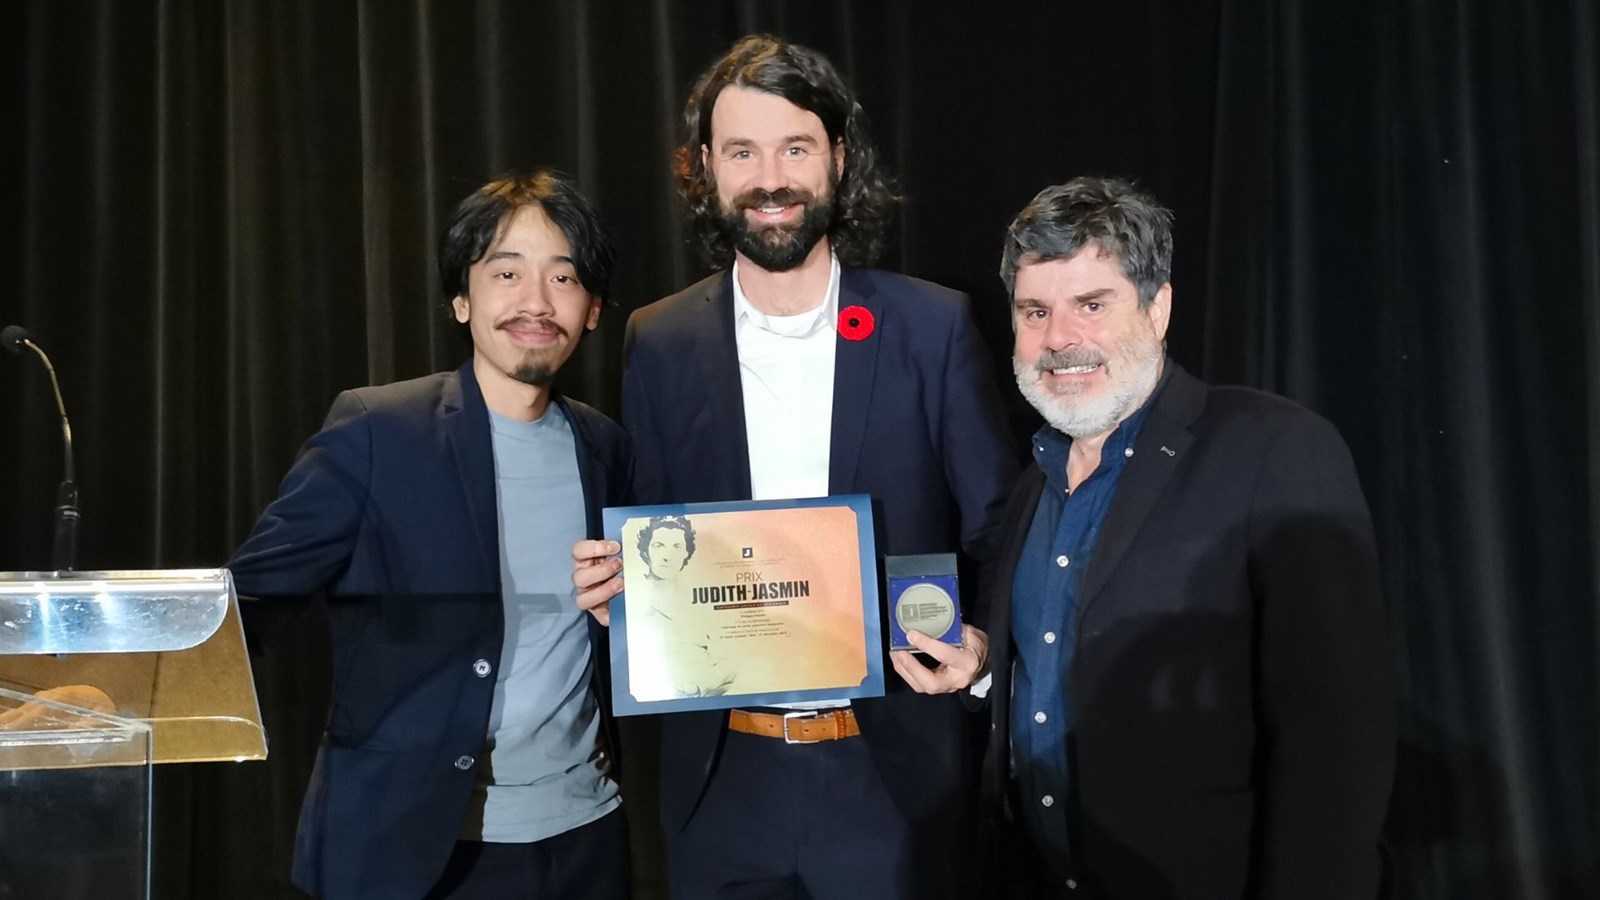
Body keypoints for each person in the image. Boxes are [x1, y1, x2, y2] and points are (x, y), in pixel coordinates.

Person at [573, 33, 1015, 900]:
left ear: (838, 161)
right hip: (719, 781)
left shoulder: (932, 329)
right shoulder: (659, 341)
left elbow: (999, 526)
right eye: (742, 151)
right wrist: (616, 593)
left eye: (795, 148)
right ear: (705, 167)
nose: (769, 178)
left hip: (891, 781)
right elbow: (657, 532)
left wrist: (982, 645)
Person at [904, 176, 1395, 898]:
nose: (1059, 339)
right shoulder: (1034, 480)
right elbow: (1052, 669)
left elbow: (1338, 739)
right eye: (1034, 311)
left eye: (1091, 305)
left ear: (1158, 307)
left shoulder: (1275, 449)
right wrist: (982, 669)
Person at [228, 171, 633, 900]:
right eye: (506, 272)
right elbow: (248, 604)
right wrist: (111, 691)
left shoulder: (606, 448)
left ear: (593, 308)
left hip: (583, 837)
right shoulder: (377, 432)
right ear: (462, 298)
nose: (535, 302)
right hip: (412, 846)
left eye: (563, 276)